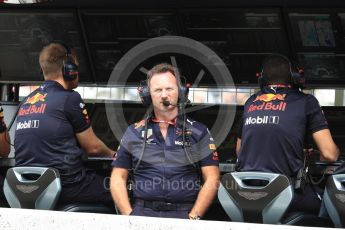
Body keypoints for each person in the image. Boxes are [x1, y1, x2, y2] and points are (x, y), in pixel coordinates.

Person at [110, 63, 220, 219]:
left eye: (169, 89)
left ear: (180, 92)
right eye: (158, 90)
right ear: (148, 95)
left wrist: (194, 217)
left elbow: (212, 177)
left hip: (184, 215)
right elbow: (117, 176)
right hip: (141, 214)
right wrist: (129, 215)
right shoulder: (133, 132)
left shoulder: (199, 131)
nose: (164, 95)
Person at [236, 54, 339, 215]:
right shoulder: (307, 102)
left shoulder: (251, 102)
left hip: (245, 194)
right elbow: (329, 154)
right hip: (285, 194)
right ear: (295, 77)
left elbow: (239, 151)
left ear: (262, 78)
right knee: (332, 202)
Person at [14, 42, 116, 206]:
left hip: (29, 187)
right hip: (68, 185)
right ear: (69, 70)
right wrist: (116, 155)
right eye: (75, 66)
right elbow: (93, 148)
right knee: (122, 188)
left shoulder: (27, 101)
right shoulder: (70, 98)